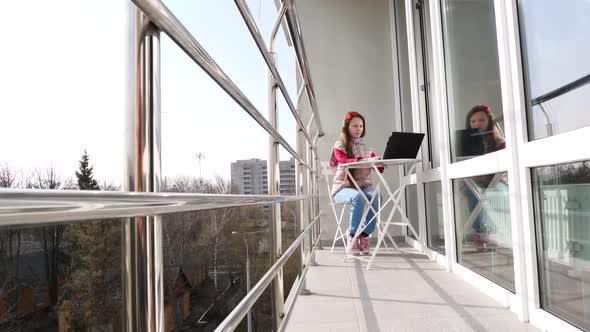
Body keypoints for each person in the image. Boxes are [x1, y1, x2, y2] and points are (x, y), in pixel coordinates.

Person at [329, 111, 383, 255]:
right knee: (358, 197)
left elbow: (380, 169)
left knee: (377, 196)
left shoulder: (366, 148)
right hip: (342, 188)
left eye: (361, 126)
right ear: (347, 127)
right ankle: (352, 235)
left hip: (363, 186)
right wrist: (363, 160)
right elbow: (342, 161)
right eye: (355, 126)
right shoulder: (339, 145)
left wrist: (379, 160)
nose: (358, 129)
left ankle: (365, 234)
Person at [463, 105, 507, 249]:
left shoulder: (500, 142)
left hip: (497, 180)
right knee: (470, 190)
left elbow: (503, 166)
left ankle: (489, 232)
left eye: (481, 120)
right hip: (478, 180)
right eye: (473, 121)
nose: (477, 124)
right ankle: (480, 232)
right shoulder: (467, 143)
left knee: (496, 192)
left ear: (489, 121)